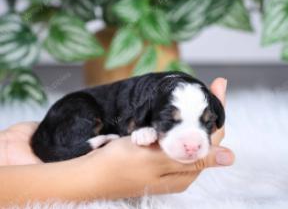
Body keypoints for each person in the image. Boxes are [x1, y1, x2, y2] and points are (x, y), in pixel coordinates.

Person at [0, 78, 234, 207]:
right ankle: (81, 145)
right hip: (71, 114)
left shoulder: (165, 98)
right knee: (84, 110)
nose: (192, 143)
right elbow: (130, 122)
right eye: (169, 121)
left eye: (205, 123)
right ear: (148, 112)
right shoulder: (143, 103)